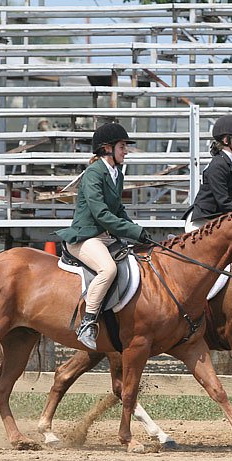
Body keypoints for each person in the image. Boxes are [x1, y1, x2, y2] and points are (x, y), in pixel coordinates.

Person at [56, 122, 150, 350]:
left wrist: (138, 232)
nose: (126, 151)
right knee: (108, 269)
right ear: (107, 148)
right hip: (85, 237)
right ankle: (87, 324)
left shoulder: (117, 174)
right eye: (122, 146)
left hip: (106, 236)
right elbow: (102, 215)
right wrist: (133, 231)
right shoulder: (93, 173)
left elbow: (118, 211)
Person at [183, 114, 232, 231]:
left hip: (215, 219)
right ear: (226, 140)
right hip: (202, 221)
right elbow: (223, 202)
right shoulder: (218, 164)